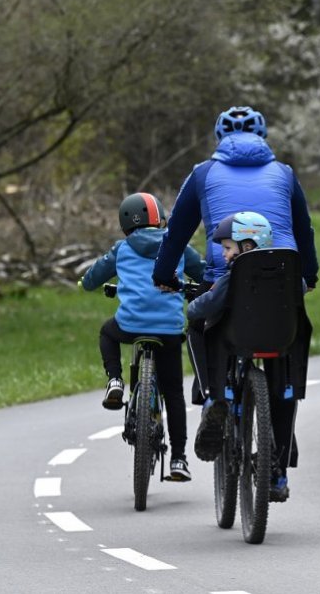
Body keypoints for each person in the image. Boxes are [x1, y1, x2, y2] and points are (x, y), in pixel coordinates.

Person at [152, 106, 318, 498]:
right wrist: (309, 275)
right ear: (264, 138)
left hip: (225, 277)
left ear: (219, 140)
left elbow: (176, 232)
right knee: (288, 353)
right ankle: (278, 467)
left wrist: (163, 276)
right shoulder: (285, 174)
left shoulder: (204, 173)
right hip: (284, 281)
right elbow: (304, 230)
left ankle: (214, 397)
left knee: (200, 322)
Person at [80, 192, 204, 482]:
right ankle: (179, 459)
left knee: (107, 332)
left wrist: (86, 281)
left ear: (125, 225)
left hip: (131, 325)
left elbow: (92, 279)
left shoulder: (122, 249)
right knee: (173, 392)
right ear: (160, 219)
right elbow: (202, 271)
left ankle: (115, 380)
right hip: (169, 329)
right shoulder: (179, 246)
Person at [187, 211, 300, 502]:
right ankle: (277, 468)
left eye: (227, 248)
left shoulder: (232, 277)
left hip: (237, 342)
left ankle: (212, 395)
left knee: (196, 329)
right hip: (280, 345)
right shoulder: (288, 274)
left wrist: (197, 299)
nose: (224, 255)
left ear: (247, 247)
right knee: (282, 398)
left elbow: (200, 310)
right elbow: (300, 290)